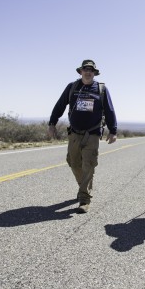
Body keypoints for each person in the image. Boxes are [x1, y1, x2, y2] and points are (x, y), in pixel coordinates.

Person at [48, 59, 117, 213]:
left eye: (91, 70)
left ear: (94, 73)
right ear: (80, 72)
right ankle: (83, 186)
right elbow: (60, 105)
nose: (88, 72)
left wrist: (113, 131)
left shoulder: (101, 89)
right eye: (85, 69)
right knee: (73, 162)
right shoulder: (72, 87)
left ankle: (84, 199)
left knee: (89, 164)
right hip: (74, 133)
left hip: (92, 134)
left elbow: (110, 110)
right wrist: (52, 123)